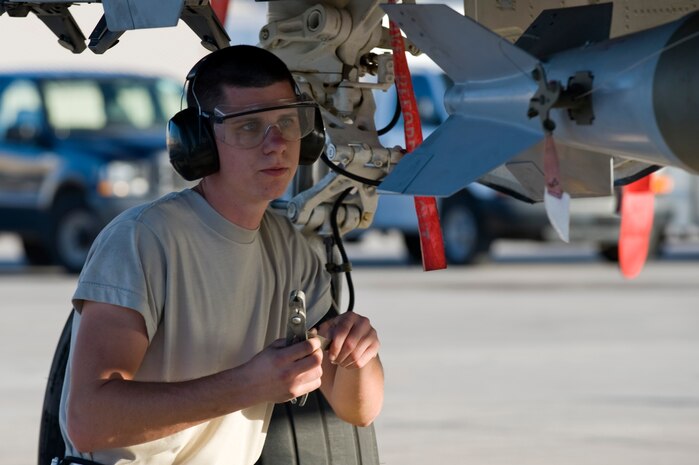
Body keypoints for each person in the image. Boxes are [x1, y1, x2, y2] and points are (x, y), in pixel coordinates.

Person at [58, 45, 384, 465]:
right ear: (199, 144)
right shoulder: (142, 241)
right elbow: (89, 420)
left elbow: (359, 409)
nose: (277, 145)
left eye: (287, 122)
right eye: (249, 128)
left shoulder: (288, 249)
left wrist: (359, 356)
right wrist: (250, 384)